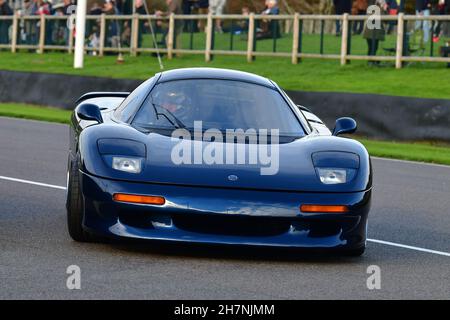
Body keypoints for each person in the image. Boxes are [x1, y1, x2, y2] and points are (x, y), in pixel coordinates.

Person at [363, 0, 386, 65]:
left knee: (371, 47)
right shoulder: (375, 6)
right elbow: (383, 18)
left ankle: (371, 61)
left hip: (370, 31)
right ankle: (371, 61)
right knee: (373, 47)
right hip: (374, 31)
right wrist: (383, 8)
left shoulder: (371, 5)